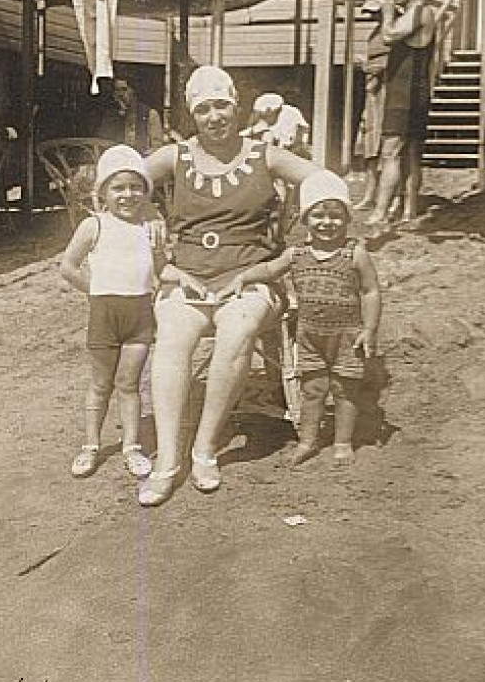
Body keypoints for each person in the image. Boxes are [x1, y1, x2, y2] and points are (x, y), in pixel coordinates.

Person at [138, 64, 317, 506]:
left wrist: (295, 241)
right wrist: (146, 213)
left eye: (222, 106)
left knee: (236, 331)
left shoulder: (264, 154)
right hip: (189, 275)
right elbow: (119, 184)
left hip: (251, 276)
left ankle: (204, 448)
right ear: (192, 115)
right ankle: (168, 461)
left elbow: (321, 181)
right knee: (173, 340)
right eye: (204, 109)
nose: (214, 116)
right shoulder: (174, 156)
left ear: (235, 107)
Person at [216, 170, 382, 467]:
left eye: (335, 216)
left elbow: (370, 291)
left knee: (345, 390)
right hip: (309, 336)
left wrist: (369, 329)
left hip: (346, 336)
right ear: (306, 219)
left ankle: (343, 442)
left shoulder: (355, 252)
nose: (327, 223)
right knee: (313, 389)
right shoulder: (296, 254)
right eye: (319, 215)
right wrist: (243, 278)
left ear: (347, 219)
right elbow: (268, 271)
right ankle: (308, 440)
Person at [59, 145, 159, 481]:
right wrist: (97, 289)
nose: (128, 195)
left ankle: (131, 446)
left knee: (129, 384)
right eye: (118, 188)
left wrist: (159, 231)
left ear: (145, 191)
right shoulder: (93, 226)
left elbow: (161, 269)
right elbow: (69, 267)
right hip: (104, 315)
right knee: (101, 385)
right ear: (103, 192)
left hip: (140, 315)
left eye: (135, 187)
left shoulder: (150, 227)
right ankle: (91, 446)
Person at [355, 0, 435, 232]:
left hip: (406, 93)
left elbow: (389, 36)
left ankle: (380, 212)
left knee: (391, 152)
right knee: (411, 153)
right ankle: (408, 211)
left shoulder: (419, 11)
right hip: (412, 90)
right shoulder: (418, 11)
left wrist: (388, 9)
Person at [243, 92, 311, 159]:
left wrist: (302, 144)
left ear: (271, 111)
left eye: (264, 115)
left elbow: (304, 129)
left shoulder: (291, 114)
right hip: (279, 148)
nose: (264, 119)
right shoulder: (264, 121)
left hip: (295, 148)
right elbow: (251, 130)